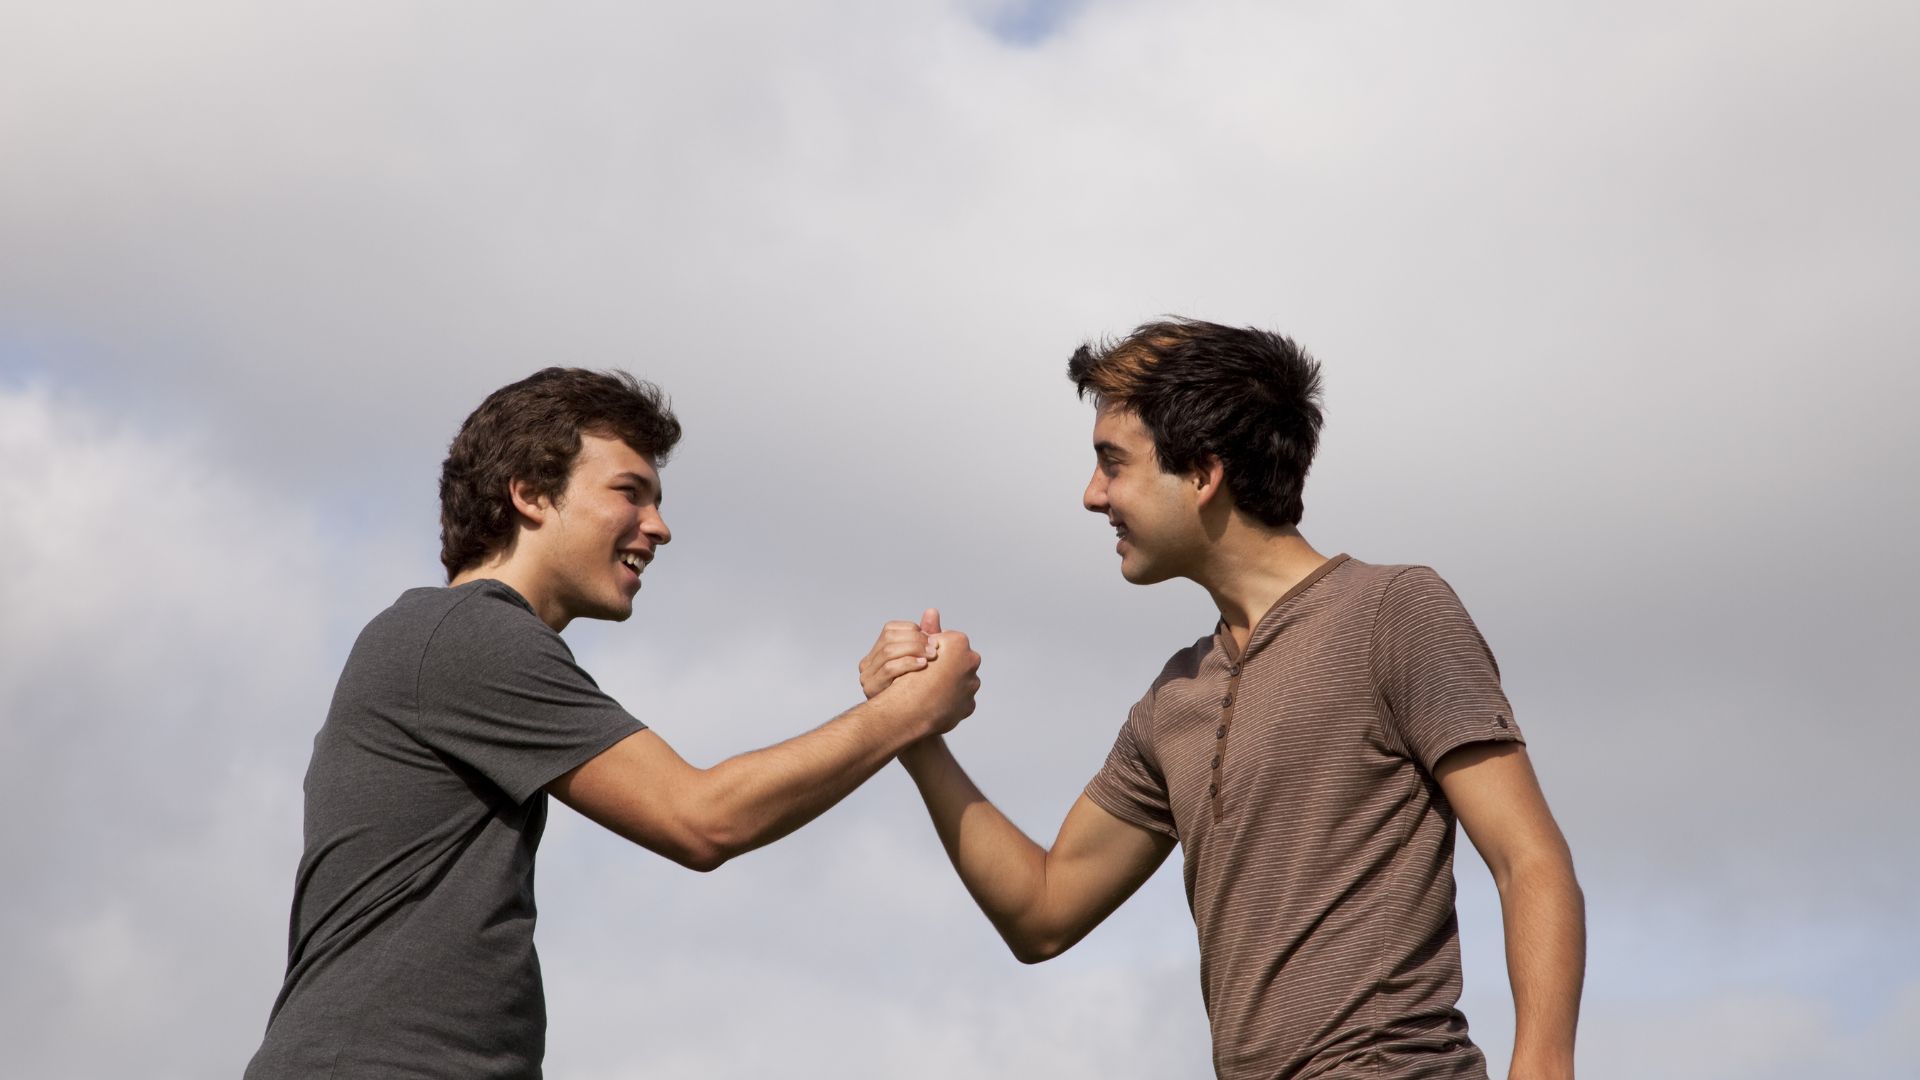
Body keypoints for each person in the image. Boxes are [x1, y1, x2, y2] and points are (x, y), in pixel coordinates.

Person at [860, 320, 1584, 1080]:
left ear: (1203, 474)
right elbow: (1042, 912)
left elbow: (1527, 857)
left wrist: (1543, 1064)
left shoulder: (1394, 611)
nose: (1091, 494)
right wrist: (911, 731)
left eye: (1113, 463)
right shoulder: (1173, 699)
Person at [247, 367, 980, 1079]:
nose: (658, 527)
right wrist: (908, 711)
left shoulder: (461, 641)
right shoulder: (467, 634)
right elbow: (700, 819)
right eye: (630, 493)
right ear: (531, 494)